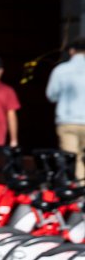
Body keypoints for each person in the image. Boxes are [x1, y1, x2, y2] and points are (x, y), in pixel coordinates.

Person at [46, 37, 85, 182]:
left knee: (71, 159)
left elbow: (51, 95)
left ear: (71, 51)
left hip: (68, 121)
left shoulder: (60, 70)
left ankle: (76, 191)